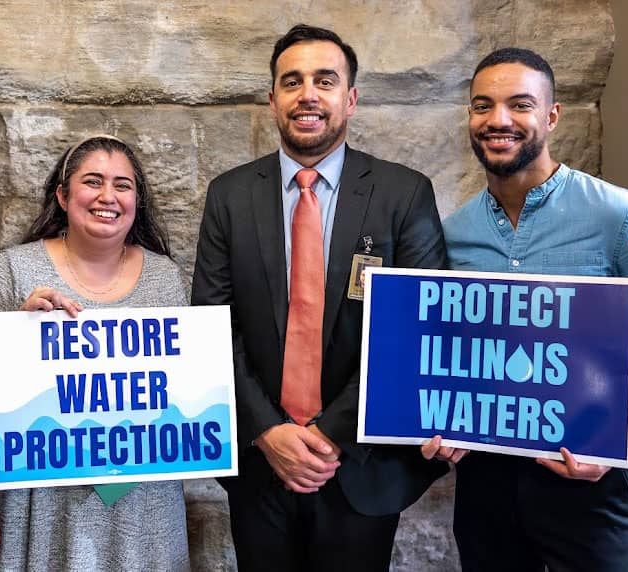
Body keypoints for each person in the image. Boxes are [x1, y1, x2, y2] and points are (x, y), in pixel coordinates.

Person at [431, 47, 628, 571]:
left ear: (552, 116)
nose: (499, 120)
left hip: (589, 479)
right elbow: (448, 350)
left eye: (520, 104)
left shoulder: (619, 215)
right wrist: (434, 417)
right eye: (482, 106)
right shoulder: (453, 235)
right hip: (486, 483)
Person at [191, 24, 449, 570]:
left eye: (325, 81)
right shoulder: (230, 195)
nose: (308, 94)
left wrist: (329, 435)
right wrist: (267, 431)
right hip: (260, 466)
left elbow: (416, 331)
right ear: (272, 99)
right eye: (292, 81)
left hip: (362, 461)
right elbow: (213, 324)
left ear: (349, 99)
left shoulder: (404, 193)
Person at [0, 134, 190, 571]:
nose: (108, 196)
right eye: (93, 182)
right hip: (37, 501)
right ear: (63, 195)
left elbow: (183, 393)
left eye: (123, 185)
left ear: (137, 200)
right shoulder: (15, 268)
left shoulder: (165, 278)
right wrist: (17, 332)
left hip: (143, 505)